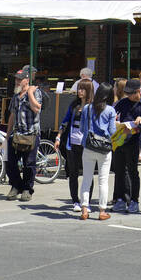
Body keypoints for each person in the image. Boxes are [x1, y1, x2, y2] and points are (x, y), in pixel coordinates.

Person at [4, 65, 42, 203]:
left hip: (31, 134)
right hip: (16, 134)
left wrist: (30, 93)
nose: (17, 82)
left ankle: (27, 189)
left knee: (29, 163)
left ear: (27, 80)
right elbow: (12, 116)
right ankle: (16, 186)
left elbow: (37, 108)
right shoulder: (15, 96)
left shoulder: (35, 92)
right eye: (16, 79)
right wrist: (7, 135)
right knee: (10, 162)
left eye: (20, 80)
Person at [79, 84, 117, 220]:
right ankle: (102, 211)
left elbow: (82, 129)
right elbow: (113, 131)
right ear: (109, 96)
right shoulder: (111, 110)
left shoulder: (87, 108)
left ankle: (84, 209)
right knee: (103, 180)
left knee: (86, 179)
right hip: (104, 149)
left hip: (88, 147)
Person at [55, 80, 90, 212]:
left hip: (87, 144)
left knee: (88, 174)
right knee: (73, 173)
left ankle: (86, 201)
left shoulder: (92, 106)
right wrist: (58, 136)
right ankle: (75, 200)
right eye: (79, 89)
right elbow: (65, 121)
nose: (80, 91)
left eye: (83, 89)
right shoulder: (73, 104)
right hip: (72, 143)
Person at [112, 79, 141, 214]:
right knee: (119, 171)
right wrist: (115, 120)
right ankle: (120, 199)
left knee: (133, 172)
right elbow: (114, 113)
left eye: (131, 93)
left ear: (138, 92)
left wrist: (138, 122)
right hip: (119, 141)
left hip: (132, 142)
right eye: (127, 93)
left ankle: (134, 200)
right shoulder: (122, 102)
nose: (129, 96)